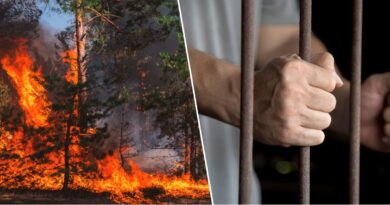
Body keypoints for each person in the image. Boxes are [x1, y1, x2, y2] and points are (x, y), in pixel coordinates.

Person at [180, 0, 390, 204]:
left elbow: (279, 36)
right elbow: (146, 41)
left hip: (230, 191)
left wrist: (344, 105)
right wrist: (238, 94)